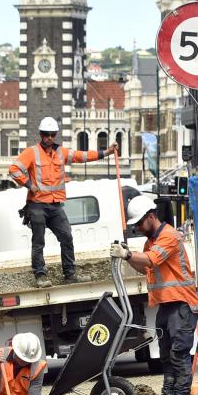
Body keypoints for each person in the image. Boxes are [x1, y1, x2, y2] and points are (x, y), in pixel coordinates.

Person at [110, 195, 198, 395]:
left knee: (178, 356)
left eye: (140, 223)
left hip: (181, 303)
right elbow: (146, 268)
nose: (138, 228)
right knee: (167, 358)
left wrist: (128, 254)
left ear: (151, 216)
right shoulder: (150, 241)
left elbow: (150, 260)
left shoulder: (169, 236)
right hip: (166, 305)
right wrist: (129, 255)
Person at [8, 116, 118, 288]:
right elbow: (14, 170)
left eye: (53, 135)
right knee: (39, 241)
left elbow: (83, 156)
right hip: (37, 205)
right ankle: (40, 275)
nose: (50, 138)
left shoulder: (61, 152)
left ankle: (70, 273)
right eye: (46, 135)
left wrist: (106, 152)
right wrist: (29, 185)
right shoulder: (31, 152)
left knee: (66, 236)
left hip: (55, 205)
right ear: (41, 134)